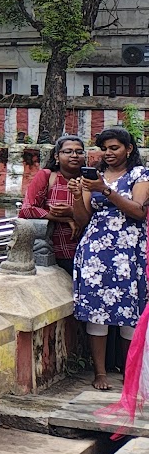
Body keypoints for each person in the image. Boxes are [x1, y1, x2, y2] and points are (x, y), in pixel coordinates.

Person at [68, 126, 149, 392]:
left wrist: (105, 190)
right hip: (95, 250)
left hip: (129, 251)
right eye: (104, 149)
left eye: (114, 148)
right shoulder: (95, 176)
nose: (108, 153)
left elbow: (138, 211)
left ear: (129, 149)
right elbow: (82, 219)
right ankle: (100, 372)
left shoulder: (140, 174)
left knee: (130, 311)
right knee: (97, 311)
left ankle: (129, 371)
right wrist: (77, 195)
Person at [17, 135, 85, 271]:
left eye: (79, 152)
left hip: (88, 249)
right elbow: (27, 209)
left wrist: (72, 212)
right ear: (56, 156)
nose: (74, 155)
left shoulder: (90, 180)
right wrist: (64, 218)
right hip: (54, 251)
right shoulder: (48, 176)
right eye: (68, 151)